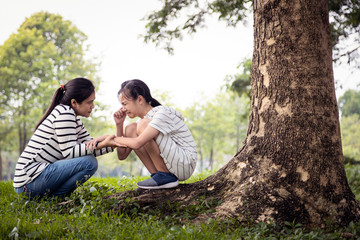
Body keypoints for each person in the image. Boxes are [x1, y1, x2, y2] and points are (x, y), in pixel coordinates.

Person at [13, 77, 117, 199]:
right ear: (74, 102)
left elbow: (90, 147)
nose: (92, 106)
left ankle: (54, 199)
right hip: (28, 183)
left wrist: (113, 142)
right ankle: (55, 200)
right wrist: (103, 143)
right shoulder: (65, 113)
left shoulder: (73, 118)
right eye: (89, 102)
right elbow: (69, 152)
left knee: (89, 160)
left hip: (33, 180)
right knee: (89, 162)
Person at [111, 79, 197, 189]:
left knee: (142, 125)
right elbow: (122, 155)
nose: (123, 109)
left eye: (125, 104)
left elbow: (137, 143)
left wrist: (110, 139)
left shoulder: (161, 113)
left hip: (184, 163)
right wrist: (119, 125)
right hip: (173, 162)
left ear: (140, 99)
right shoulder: (143, 122)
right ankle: (158, 176)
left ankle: (164, 176)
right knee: (130, 129)